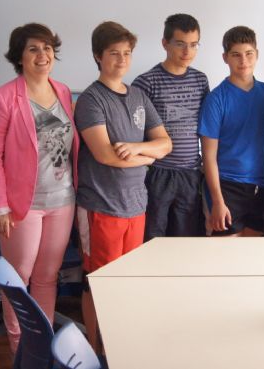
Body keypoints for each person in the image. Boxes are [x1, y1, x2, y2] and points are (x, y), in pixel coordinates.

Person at [0, 23, 79, 353]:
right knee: (17, 280)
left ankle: (44, 348)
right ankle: (21, 349)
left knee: (47, 277)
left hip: (63, 200)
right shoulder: (3, 97)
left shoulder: (63, 92)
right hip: (23, 205)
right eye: (34, 48)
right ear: (19, 56)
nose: (43, 54)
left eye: (48, 48)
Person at [74, 21, 171, 354]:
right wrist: (148, 156)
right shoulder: (90, 100)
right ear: (98, 57)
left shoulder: (139, 95)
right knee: (98, 281)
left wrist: (140, 150)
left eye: (127, 53)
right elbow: (105, 155)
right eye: (114, 53)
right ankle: (95, 349)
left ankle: (119, 347)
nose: (121, 60)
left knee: (125, 281)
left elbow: (165, 144)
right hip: (101, 206)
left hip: (136, 205)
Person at [132, 14, 209, 240]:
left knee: (185, 238)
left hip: (190, 173)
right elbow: (136, 131)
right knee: (153, 236)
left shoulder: (200, 80)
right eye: (180, 44)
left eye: (193, 45)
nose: (187, 52)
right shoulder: (146, 82)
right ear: (165, 43)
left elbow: (205, 126)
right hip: (158, 173)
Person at [198, 26, 264, 237]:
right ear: (225, 58)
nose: (243, 61)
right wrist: (218, 202)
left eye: (249, 54)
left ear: (256, 55)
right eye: (236, 55)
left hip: (263, 186)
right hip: (228, 187)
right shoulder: (216, 99)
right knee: (226, 259)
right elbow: (209, 157)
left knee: (255, 257)